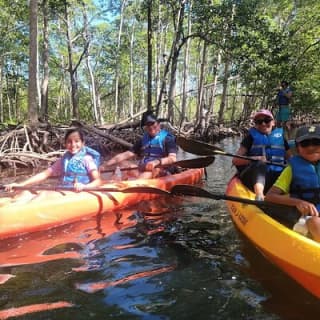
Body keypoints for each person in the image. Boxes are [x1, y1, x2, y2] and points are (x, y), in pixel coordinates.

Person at [5, 128, 102, 197]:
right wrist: (22, 185)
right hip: (64, 190)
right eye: (69, 141)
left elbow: (98, 181)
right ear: (65, 144)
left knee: (42, 196)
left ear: (83, 143)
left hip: (79, 192)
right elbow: (44, 174)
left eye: (77, 141)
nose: (73, 145)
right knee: (25, 193)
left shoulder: (87, 159)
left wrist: (84, 186)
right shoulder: (63, 160)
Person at [265, 125, 320, 242]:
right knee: (315, 222)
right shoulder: (291, 170)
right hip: (307, 215)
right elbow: (269, 197)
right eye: (305, 144)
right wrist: (298, 202)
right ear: (298, 148)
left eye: (316, 142)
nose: (311, 147)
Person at [232, 109, 292, 201]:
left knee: (292, 169)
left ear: (273, 123)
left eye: (267, 120)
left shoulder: (280, 138)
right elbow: (235, 161)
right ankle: (259, 196)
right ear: (256, 125)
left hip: (276, 180)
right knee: (259, 163)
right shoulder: (250, 138)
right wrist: (255, 158)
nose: (263, 124)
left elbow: (291, 159)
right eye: (259, 122)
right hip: (254, 178)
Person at [103, 112, 177, 179]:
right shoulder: (143, 140)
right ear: (145, 127)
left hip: (160, 170)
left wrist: (156, 162)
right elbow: (126, 154)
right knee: (121, 164)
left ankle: (135, 187)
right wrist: (105, 165)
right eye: (147, 125)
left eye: (152, 123)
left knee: (148, 172)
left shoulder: (168, 138)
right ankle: (112, 185)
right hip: (144, 169)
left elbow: (172, 158)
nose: (150, 127)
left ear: (158, 123)